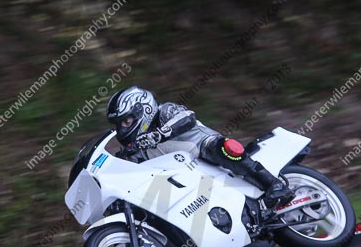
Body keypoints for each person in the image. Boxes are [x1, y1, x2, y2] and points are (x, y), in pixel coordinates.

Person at [105, 86, 294, 207]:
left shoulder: (165, 111)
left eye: (126, 121)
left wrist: (160, 134)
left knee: (225, 148)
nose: (123, 128)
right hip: (184, 175)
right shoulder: (139, 147)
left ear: (143, 109)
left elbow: (187, 117)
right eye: (120, 124)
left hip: (202, 146)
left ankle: (275, 185)